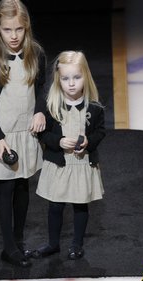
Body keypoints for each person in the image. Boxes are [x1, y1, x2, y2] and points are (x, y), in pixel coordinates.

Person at [0, 0, 46, 268]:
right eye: (7, 30)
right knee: (6, 188)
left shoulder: (36, 54)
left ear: (26, 28)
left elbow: (41, 88)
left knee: (23, 184)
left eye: (19, 29)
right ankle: (8, 248)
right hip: (3, 136)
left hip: (26, 133)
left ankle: (18, 241)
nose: (14, 36)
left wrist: (40, 112)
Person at [31, 51, 105, 260]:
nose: (71, 84)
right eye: (65, 79)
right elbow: (43, 133)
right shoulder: (52, 106)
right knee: (55, 205)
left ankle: (77, 244)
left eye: (76, 77)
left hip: (82, 163)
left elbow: (100, 131)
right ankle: (53, 243)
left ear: (86, 77)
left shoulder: (95, 107)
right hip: (59, 164)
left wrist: (89, 143)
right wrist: (59, 142)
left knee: (80, 205)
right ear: (58, 79)